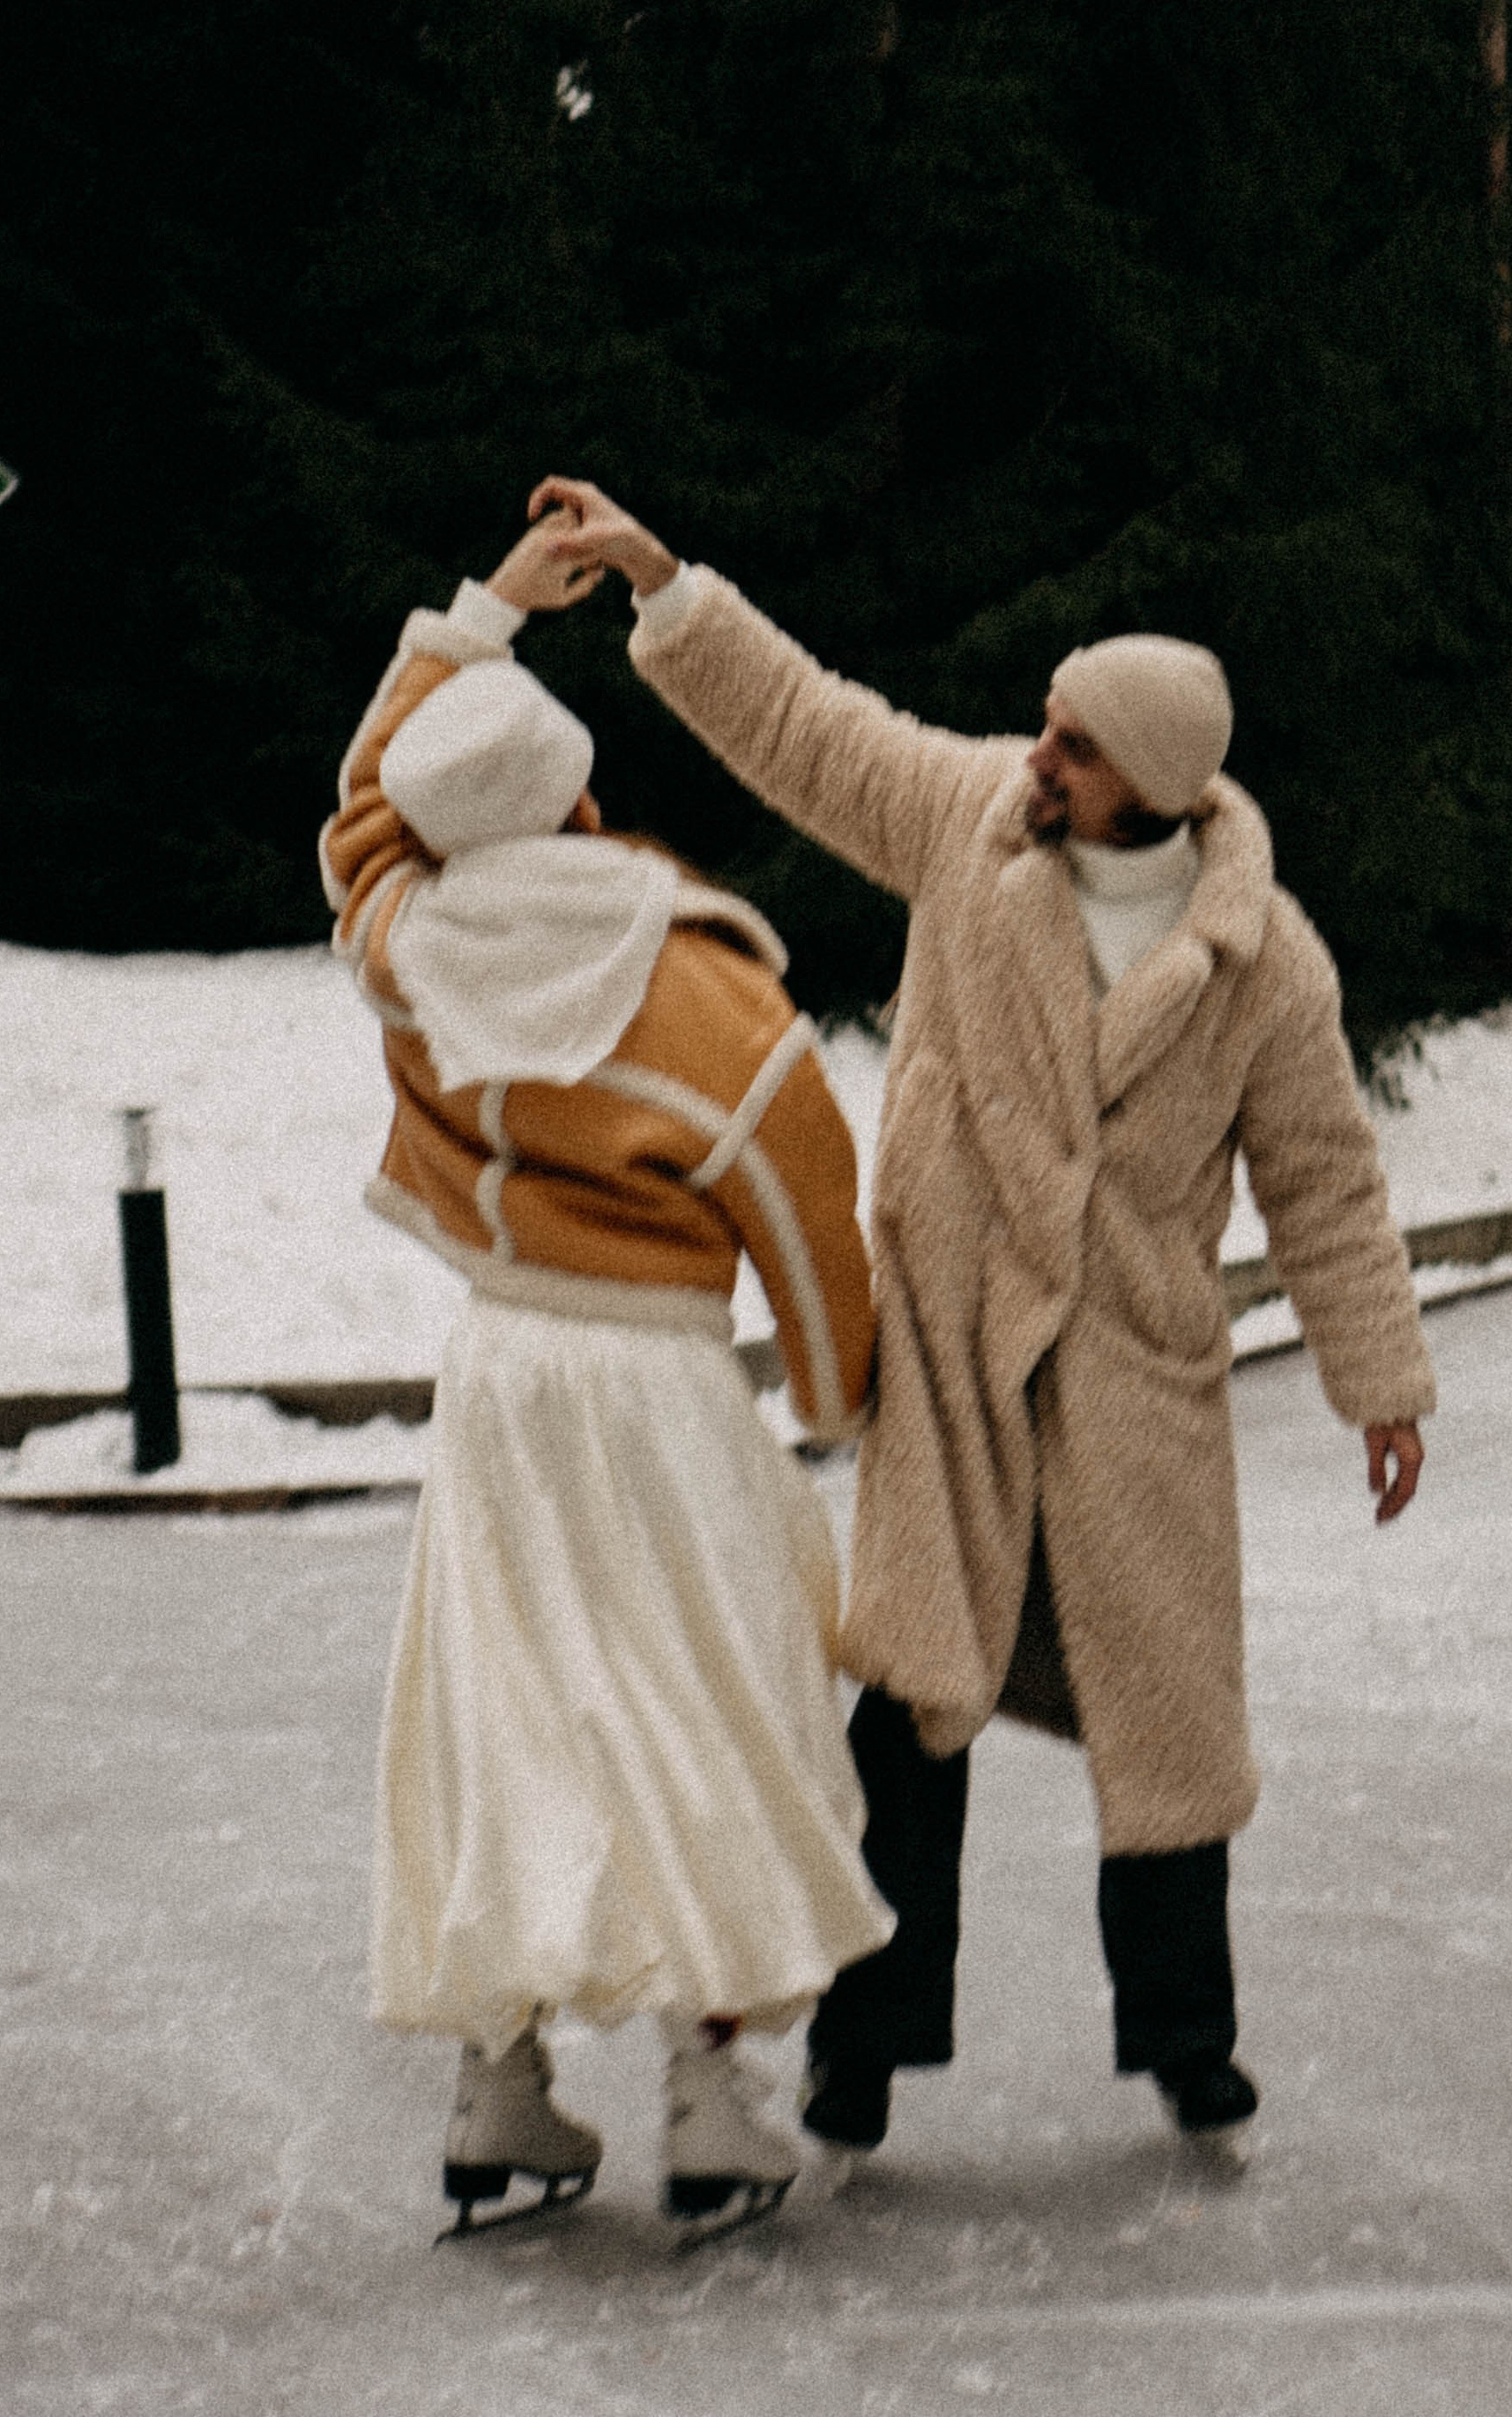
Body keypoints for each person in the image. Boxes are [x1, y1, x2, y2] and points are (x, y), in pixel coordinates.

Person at [522, 477, 1438, 2167]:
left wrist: (1380, 1382)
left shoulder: (1263, 962)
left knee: (1172, 1719)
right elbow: (810, 727)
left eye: (1075, 745)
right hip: (951, 1348)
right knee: (910, 1705)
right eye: (1046, 727)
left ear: (1152, 786)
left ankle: (1188, 2043)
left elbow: (1323, 1178)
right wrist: (663, 585)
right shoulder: (971, 827)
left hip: (1136, 1367)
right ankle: (862, 2052)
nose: (1040, 757)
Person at [320, 511, 894, 2238]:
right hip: (658, 1389)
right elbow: (803, 1215)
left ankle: (501, 2083)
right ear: (577, 796)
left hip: (499, 1383)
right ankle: (716, 2095)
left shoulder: (406, 942)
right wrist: (837, 1396)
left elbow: (360, 807)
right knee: (716, 1702)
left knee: (505, 1716)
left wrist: (484, 611)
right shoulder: (705, 989)